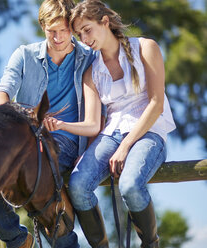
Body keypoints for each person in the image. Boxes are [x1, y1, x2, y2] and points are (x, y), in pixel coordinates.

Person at [43, 0, 176, 247]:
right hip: (111, 134)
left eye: (87, 29)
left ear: (105, 22)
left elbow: (156, 104)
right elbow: (94, 125)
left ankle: (151, 243)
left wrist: (125, 147)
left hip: (149, 132)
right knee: (78, 186)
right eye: (79, 33)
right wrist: (70, 135)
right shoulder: (91, 72)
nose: (84, 38)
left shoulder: (146, 48)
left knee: (130, 186)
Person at [0, 0, 101, 247]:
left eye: (65, 30)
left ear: (72, 28)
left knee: (48, 201)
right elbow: (2, 91)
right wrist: (7, 114)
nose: (59, 37)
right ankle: (16, 239)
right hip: (30, 138)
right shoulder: (24, 55)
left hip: (68, 142)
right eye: (52, 31)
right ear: (42, 26)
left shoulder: (89, 58)